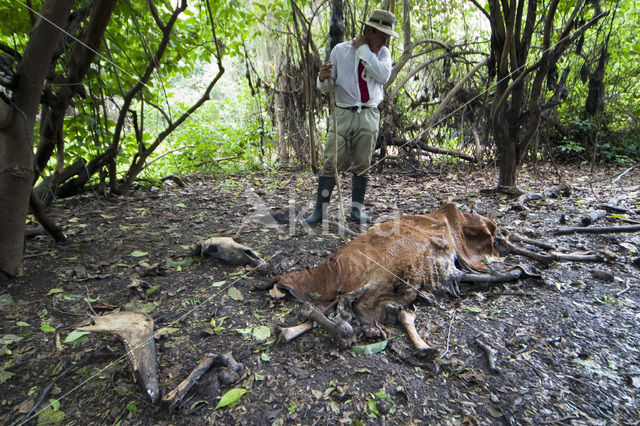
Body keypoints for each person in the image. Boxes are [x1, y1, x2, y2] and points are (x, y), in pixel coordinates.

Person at [305, 9, 398, 225]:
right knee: (330, 161)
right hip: (343, 114)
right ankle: (320, 212)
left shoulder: (382, 54)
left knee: (363, 164)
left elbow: (383, 76)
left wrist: (364, 49)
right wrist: (322, 77)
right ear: (368, 30)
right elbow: (326, 87)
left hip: (369, 114)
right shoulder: (340, 51)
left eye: (387, 37)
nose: (384, 41)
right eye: (381, 35)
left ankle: (356, 211)